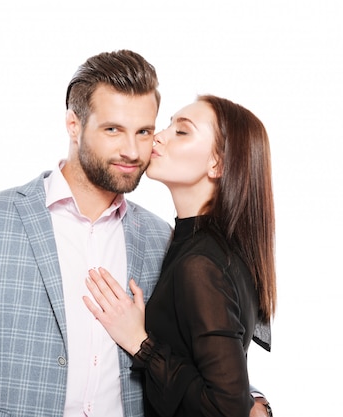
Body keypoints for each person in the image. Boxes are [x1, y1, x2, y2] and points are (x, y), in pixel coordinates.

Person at [0, 49, 270, 417]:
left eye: (145, 131)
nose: (133, 151)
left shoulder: (159, 238)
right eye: (114, 129)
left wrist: (250, 400)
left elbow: (203, 355)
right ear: (73, 124)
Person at [83, 95, 276, 416]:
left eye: (182, 131)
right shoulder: (197, 245)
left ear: (217, 163)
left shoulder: (201, 264)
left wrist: (139, 342)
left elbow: (226, 407)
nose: (158, 136)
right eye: (169, 124)